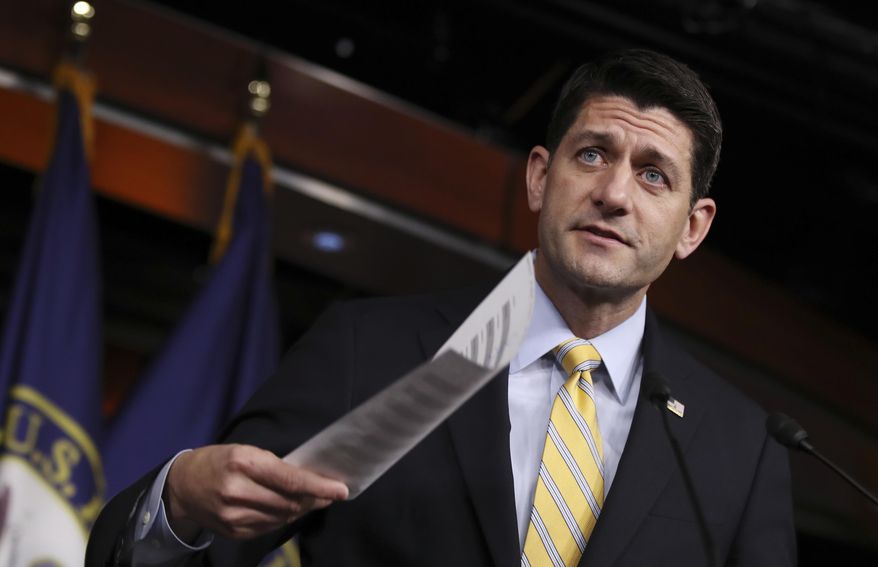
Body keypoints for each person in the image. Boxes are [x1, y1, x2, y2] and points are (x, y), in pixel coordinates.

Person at [86, 49, 796, 566]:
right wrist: (179, 502)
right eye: (591, 155)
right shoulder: (370, 350)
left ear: (692, 227)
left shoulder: (742, 446)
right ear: (539, 177)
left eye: (653, 175)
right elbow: (193, 546)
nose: (614, 193)